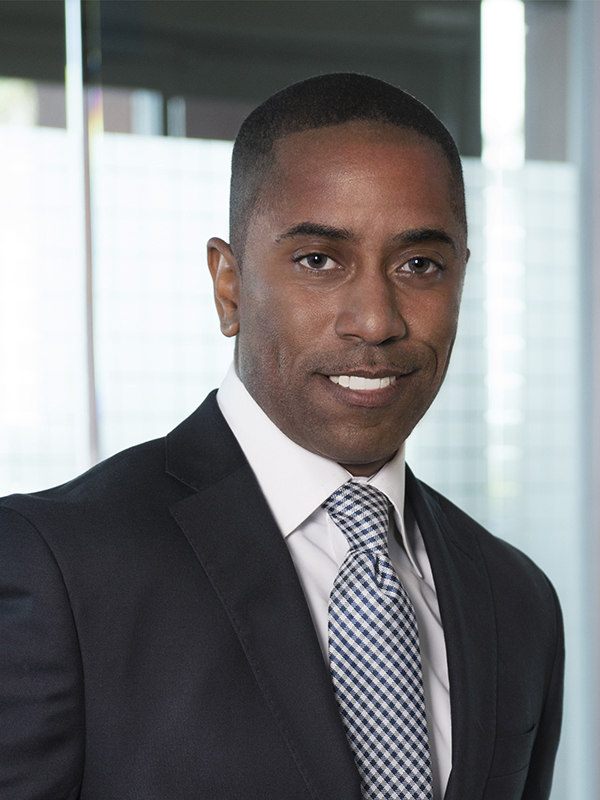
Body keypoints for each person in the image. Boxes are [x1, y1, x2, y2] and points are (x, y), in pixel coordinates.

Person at [0, 73, 563, 800]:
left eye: (419, 264)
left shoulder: (518, 601)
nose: (375, 319)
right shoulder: (58, 568)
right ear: (228, 287)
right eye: (319, 261)